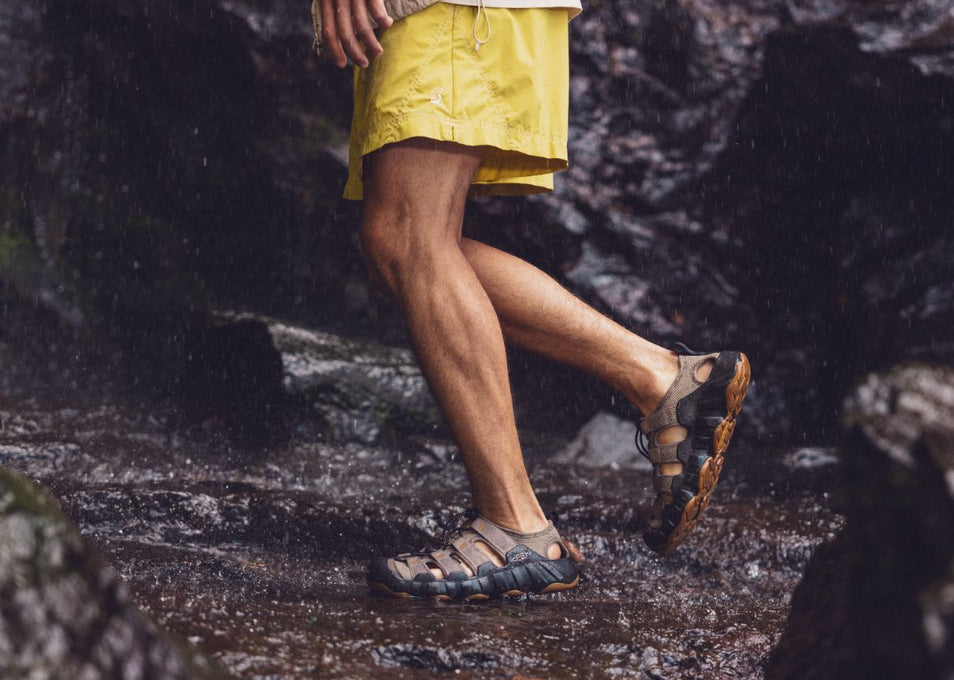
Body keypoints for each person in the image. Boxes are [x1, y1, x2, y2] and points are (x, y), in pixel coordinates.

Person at [313, 0, 751, 600]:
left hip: (453, 12)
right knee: (402, 245)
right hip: (468, 13)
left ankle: (515, 523)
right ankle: (659, 377)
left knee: (411, 238)